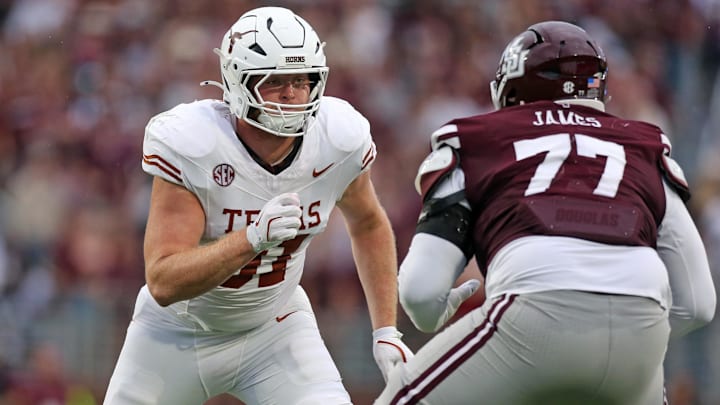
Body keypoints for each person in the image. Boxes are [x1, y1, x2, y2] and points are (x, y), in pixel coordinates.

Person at [376, 21, 716, 405]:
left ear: (511, 87)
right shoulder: (645, 147)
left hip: (532, 317)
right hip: (642, 333)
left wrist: (438, 313)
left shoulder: (477, 140)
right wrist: (623, 330)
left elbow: (420, 293)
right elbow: (699, 304)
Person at [103, 6, 413, 405]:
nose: (292, 94)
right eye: (275, 81)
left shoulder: (338, 139)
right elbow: (163, 280)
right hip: (177, 332)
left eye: (302, 81)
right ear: (237, 82)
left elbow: (369, 222)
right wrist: (249, 239)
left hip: (275, 326)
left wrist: (385, 330)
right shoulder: (195, 144)